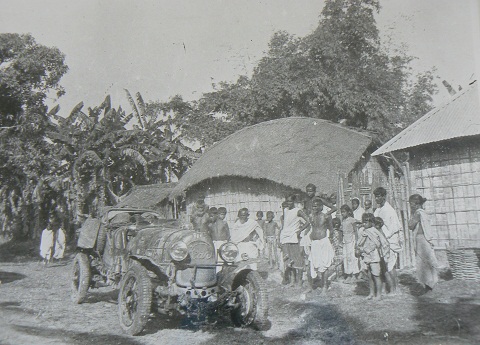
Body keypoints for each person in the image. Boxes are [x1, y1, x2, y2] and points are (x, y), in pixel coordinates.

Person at [373, 187, 403, 295]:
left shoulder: (389, 210)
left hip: (389, 240)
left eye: (379, 196)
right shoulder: (378, 210)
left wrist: (385, 239)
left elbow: (393, 228)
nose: (377, 198)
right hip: (381, 240)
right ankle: (389, 288)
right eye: (376, 196)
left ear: (384, 196)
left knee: (390, 265)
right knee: (384, 265)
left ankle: (395, 289)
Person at [408, 194, 438, 292]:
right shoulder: (423, 212)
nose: (410, 206)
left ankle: (427, 284)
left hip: (421, 239)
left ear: (416, 204)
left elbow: (411, 226)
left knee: (422, 262)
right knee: (427, 261)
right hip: (424, 239)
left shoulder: (417, 213)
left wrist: (411, 215)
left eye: (411, 204)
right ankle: (430, 283)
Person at [357, 213, 390, 300]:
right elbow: (360, 242)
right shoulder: (363, 231)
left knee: (376, 275)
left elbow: (382, 242)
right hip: (367, 256)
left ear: (372, 222)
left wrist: (385, 255)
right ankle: (371, 293)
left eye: (367, 222)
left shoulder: (375, 231)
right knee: (370, 275)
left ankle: (378, 295)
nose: (365, 224)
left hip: (374, 256)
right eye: (363, 222)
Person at [280, 194, 310, 286]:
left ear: (294, 202)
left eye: (290, 201)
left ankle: (300, 281)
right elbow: (285, 225)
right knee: (289, 260)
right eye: (287, 201)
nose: (288, 203)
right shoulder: (285, 210)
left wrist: (299, 231)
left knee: (298, 260)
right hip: (285, 237)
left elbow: (308, 221)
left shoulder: (298, 211)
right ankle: (293, 281)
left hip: (293, 237)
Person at [307, 198, 335, 294]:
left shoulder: (326, 216)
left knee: (324, 265)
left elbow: (331, 229)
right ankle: (310, 286)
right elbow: (312, 228)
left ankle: (324, 286)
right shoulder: (311, 216)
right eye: (313, 206)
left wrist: (330, 241)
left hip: (324, 241)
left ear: (321, 207)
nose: (314, 208)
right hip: (314, 243)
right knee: (312, 264)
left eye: (316, 206)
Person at [339, 204, 360, 283]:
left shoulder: (352, 220)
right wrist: (340, 241)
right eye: (341, 212)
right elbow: (341, 231)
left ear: (348, 212)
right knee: (346, 257)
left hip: (352, 241)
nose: (342, 213)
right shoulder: (343, 221)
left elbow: (355, 231)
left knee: (352, 258)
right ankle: (348, 274)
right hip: (345, 241)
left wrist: (357, 241)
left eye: (344, 212)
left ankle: (354, 275)